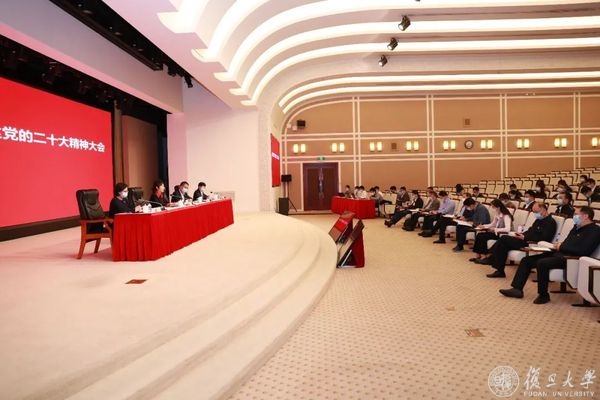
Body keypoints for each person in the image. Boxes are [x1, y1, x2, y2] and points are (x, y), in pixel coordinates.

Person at [499, 206, 600, 304]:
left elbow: (583, 250)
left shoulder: (595, 230)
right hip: (559, 254)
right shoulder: (576, 227)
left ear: (585, 216)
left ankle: (543, 295)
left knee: (542, 263)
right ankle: (517, 289)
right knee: (526, 260)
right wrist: (559, 245)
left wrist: (561, 246)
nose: (574, 216)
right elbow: (566, 242)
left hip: (570, 259)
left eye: (576, 214)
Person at [481, 203, 556, 277]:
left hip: (532, 244)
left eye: (536, 212)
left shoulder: (550, 222)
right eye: (534, 212)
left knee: (504, 238)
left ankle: (490, 257)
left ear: (543, 209)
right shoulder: (538, 220)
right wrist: (521, 234)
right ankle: (499, 270)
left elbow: (544, 238)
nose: (535, 214)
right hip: (525, 240)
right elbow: (530, 230)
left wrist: (525, 237)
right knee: (503, 244)